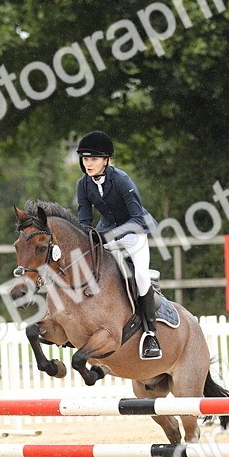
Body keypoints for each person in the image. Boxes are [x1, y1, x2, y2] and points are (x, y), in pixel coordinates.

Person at [73, 130, 162, 360]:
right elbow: (84, 220)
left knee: (141, 276)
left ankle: (151, 334)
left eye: (93, 159)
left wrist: (109, 236)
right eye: (85, 159)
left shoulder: (122, 180)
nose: (88, 163)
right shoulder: (83, 185)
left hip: (133, 233)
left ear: (106, 160)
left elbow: (137, 219)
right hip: (106, 231)